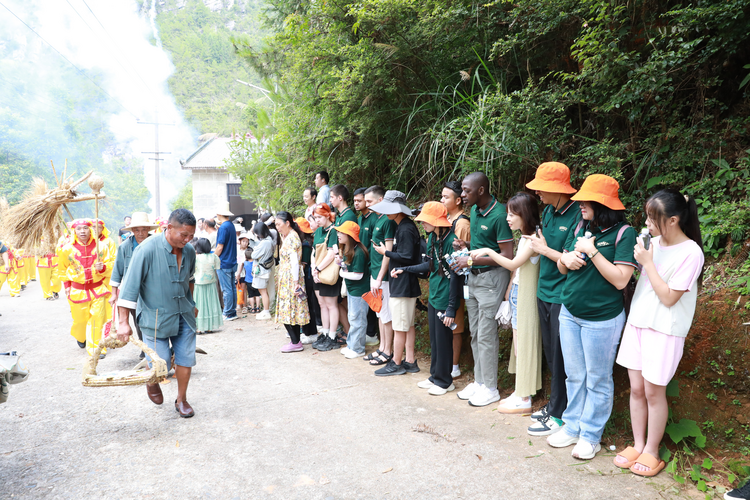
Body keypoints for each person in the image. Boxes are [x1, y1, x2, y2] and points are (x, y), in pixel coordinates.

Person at [614, 189, 704, 477]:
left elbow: (668, 298)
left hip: (664, 329)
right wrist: (645, 256)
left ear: (674, 220)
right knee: (637, 389)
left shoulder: (691, 253)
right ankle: (638, 444)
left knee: (654, 392)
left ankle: (652, 450)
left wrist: (649, 262)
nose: (648, 223)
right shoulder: (652, 243)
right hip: (638, 322)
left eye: (654, 219)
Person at [549, 174, 637, 459]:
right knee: (574, 375)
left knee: (597, 379)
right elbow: (563, 267)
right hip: (570, 311)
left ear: (601, 204)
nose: (580, 205)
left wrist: (593, 252)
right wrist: (566, 260)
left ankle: (590, 436)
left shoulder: (625, 233)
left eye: (585, 201)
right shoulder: (581, 225)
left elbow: (622, 280)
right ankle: (572, 426)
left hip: (602, 319)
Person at [116, 209, 198, 417]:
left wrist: (192, 303)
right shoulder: (145, 250)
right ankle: (151, 378)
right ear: (169, 228)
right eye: (184, 235)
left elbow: (190, 279)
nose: (188, 240)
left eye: (191, 236)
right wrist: (123, 322)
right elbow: (129, 288)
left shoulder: (188, 251)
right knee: (160, 363)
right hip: (155, 317)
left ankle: (182, 399)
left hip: (183, 314)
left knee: (185, 359)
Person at [470, 193, 542, 413]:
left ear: (525, 215)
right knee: (518, 344)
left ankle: (525, 397)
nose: (508, 218)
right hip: (519, 293)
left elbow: (512, 264)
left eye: (512, 214)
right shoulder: (526, 236)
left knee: (524, 345)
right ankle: (520, 391)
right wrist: (509, 290)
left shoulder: (533, 238)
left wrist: (489, 250)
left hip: (527, 297)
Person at [523, 162, 581, 436]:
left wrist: (543, 249)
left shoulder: (575, 217)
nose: (538, 194)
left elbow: (570, 260)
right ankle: (554, 404)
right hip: (543, 290)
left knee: (561, 357)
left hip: (562, 295)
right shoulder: (548, 211)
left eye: (542, 189)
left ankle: (560, 413)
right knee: (550, 353)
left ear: (557, 189)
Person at [450, 172, 514, 407]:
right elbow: (481, 247)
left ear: (481, 190)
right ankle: (479, 382)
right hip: (474, 279)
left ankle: (491, 388)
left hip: (491, 279)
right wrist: (466, 247)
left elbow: (507, 256)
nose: (462, 194)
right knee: (476, 332)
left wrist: (471, 260)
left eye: (466, 191)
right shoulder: (475, 211)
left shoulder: (499, 215)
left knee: (487, 334)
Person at [393, 202, 460, 395]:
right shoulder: (432, 238)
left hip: (446, 297)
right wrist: (404, 269)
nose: (422, 224)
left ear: (437, 222)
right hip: (434, 294)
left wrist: (451, 308)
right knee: (435, 340)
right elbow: (428, 267)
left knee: (443, 340)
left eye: (426, 221)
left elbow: (455, 277)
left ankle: (445, 381)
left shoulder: (452, 241)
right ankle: (435, 376)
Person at [370, 190, 421, 376]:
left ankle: (397, 363)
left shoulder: (405, 228)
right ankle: (409, 360)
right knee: (407, 324)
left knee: (400, 325)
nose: (385, 212)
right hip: (404, 281)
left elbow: (407, 257)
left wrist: (386, 253)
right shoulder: (402, 225)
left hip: (404, 282)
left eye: (389, 208)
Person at [57, 219, 113, 357]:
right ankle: (81, 336)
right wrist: (67, 285)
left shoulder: (101, 247)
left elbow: (112, 264)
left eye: (85, 228)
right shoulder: (66, 249)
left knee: (97, 319)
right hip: (77, 290)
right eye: (79, 229)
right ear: (74, 231)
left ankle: (96, 349)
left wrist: (104, 267)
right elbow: (62, 269)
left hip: (97, 289)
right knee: (80, 321)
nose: (82, 231)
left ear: (91, 230)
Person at [109, 212, 158, 357]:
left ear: (148, 229)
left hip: (154, 289)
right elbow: (117, 270)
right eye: (137, 230)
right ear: (132, 231)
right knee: (138, 321)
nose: (141, 233)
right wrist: (113, 293)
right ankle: (145, 347)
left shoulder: (156, 243)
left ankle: (157, 347)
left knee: (154, 319)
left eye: (144, 229)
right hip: (133, 291)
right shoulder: (125, 247)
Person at [363, 186, 396, 366]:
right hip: (375, 274)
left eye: (370, 201)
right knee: (379, 313)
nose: (367, 205)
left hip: (382, 277)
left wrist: (380, 277)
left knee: (386, 314)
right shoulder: (378, 219)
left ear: (381, 200)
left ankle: (388, 351)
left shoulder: (387, 222)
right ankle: (382, 348)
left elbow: (387, 252)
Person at [441, 180, 470, 378]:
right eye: (441, 196)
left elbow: (462, 258)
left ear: (458, 200)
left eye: (446, 197)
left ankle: (454, 365)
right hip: (446, 279)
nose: (441, 200)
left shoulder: (462, 224)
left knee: (455, 324)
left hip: (457, 279)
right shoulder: (449, 220)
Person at [274, 212, 311, 352]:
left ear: (287, 223)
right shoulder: (290, 236)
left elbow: (295, 262)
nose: (277, 227)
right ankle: (295, 341)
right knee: (289, 310)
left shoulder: (291, 238)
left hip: (290, 279)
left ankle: (295, 342)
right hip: (288, 278)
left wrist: (295, 282)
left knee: (289, 309)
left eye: (279, 224)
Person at [310, 203, 343, 351]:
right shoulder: (318, 232)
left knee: (331, 305)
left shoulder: (334, 231)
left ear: (327, 215)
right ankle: (324, 332)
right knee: (322, 305)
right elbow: (313, 252)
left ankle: (332, 336)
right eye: (315, 217)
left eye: (319, 217)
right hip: (317, 271)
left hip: (328, 272)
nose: (317, 220)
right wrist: (313, 269)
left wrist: (317, 269)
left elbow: (331, 254)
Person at [335, 221, 370, 359]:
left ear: (349, 235)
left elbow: (358, 274)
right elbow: (349, 268)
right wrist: (341, 263)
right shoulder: (348, 249)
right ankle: (351, 345)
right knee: (353, 317)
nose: (338, 234)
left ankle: (358, 348)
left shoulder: (359, 252)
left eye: (341, 232)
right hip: (352, 290)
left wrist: (341, 273)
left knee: (358, 319)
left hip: (359, 291)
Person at [354, 187, 380, 346]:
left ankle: (372, 333)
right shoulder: (360, 218)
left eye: (359, 200)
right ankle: (368, 332)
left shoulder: (374, 219)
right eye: (355, 201)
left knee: (372, 300)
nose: (356, 203)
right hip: (360, 266)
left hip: (371, 266)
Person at [295, 217, 321, 342]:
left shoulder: (305, 244)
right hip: (306, 278)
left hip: (307, 278)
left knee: (308, 304)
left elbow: (303, 265)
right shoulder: (308, 241)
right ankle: (307, 331)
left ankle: (310, 332)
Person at [193, 238, 224, 335]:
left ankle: (198, 327)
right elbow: (216, 267)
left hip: (198, 284)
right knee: (210, 304)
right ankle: (209, 327)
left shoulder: (196, 258)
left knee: (199, 304)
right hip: (211, 283)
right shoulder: (214, 257)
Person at [215, 204, 238, 322]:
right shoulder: (231, 225)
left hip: (223, 262)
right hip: (232, 261)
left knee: (226, 289)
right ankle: (232, 311)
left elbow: (219, 247)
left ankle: (228, 312)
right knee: (232, 288)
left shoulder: (223, 227)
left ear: (219, 214)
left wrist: (213, 258)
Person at [251, 222, 274, 319]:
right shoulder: (269, 240)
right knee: (264, 291)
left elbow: (253, 255)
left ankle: (266, 311)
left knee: (263, 292)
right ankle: (266, 310)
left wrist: (254, 247)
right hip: (266, 269)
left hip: (261, 271)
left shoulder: (264, 243)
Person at [243, 248, 262, 314]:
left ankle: (253, 308)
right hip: (256, 281)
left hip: (248, 282)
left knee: (251, 296)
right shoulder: (255, 263)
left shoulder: (245, 263)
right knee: (257, 295)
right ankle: (257, 308)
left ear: (245, 256)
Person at [236, 232, 250, 314]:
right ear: (240, 241)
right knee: (237, 288)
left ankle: (244, 306)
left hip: (244, 272)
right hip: (236, 271)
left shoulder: (248, 251)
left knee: (243, 288)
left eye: (246, 241)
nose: (245, 243)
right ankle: (239, 304)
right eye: (243, 241)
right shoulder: (237, 250)